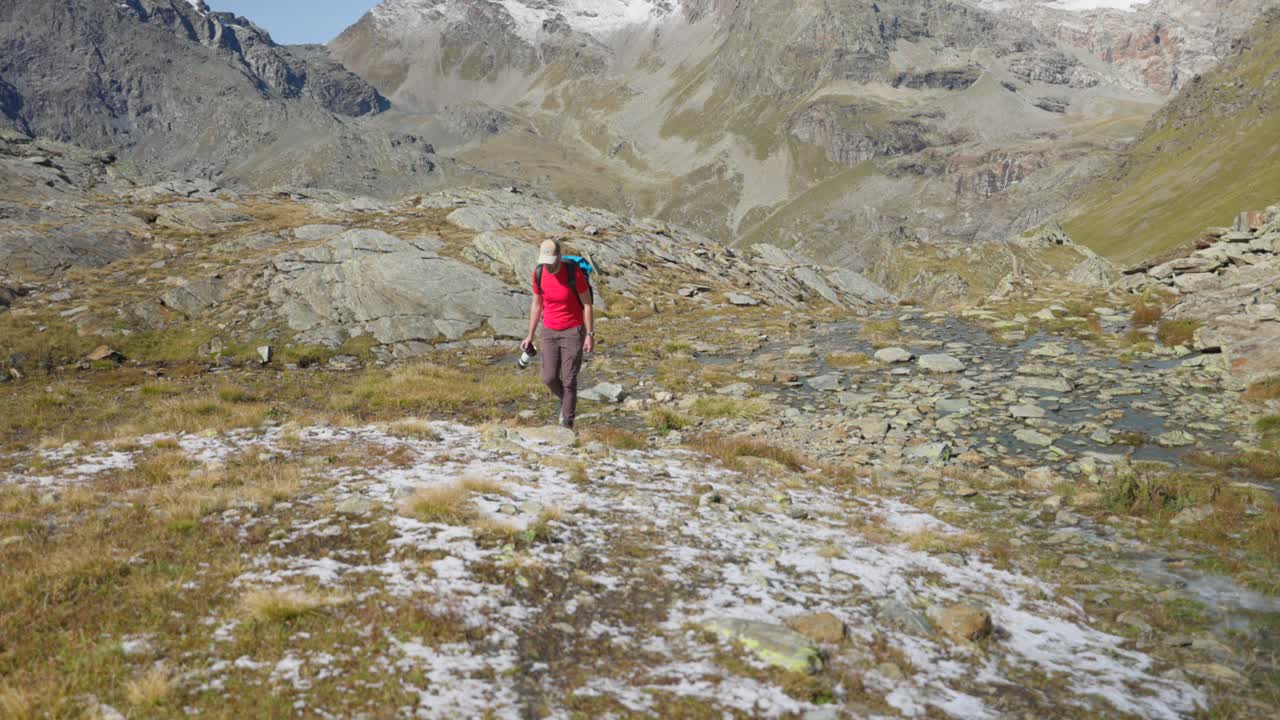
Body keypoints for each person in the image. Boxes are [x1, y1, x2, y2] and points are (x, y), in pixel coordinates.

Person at [521, 239, 595, 429]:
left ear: (559, 257)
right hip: (549, 331)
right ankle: (567, 402)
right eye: (545, 261)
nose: (548, 265)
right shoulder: (538, 273)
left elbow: (587, 304)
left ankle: (567, 423)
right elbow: (537, 305)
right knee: (549, 377)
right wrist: (529, 335)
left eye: (551, 261)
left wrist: (589, 334)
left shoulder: (573, 273)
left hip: (573, 331)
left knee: (569, 378)